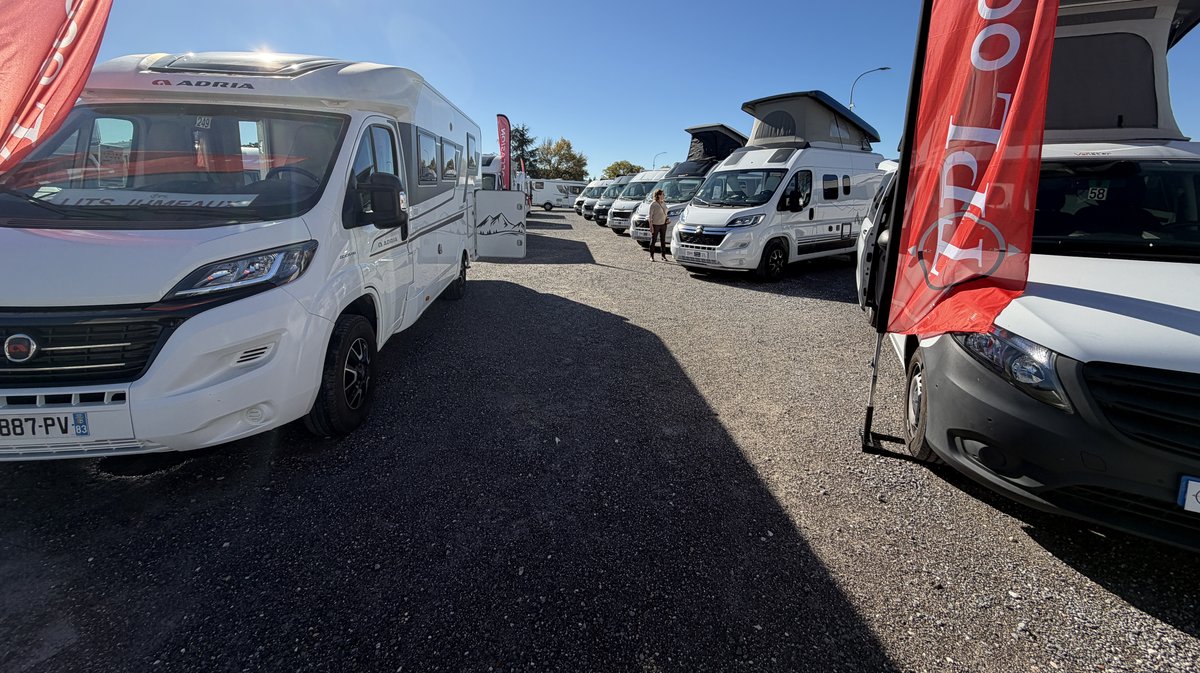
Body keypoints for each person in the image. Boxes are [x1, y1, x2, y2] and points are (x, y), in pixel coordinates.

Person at [648, 188, 670, 261]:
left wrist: (666, 219)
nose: (664, 195)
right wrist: (651, 226)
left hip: (663, 224)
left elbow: (666, 213)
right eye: (663, 194)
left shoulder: (663, 203)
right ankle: (651, 256)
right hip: (655, 224)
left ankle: (663, 256)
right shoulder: (653, 204)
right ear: (658, 195)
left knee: (663, 240)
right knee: (653, 240)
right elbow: (650, 216)